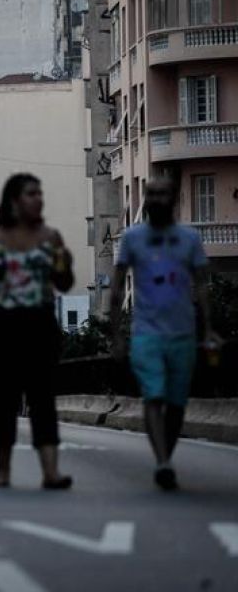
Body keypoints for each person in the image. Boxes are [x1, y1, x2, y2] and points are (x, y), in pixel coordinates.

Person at [0, 173, 73, 490]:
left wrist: (63, 263)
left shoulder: (51, 237)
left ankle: (51, 471)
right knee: (6, 399)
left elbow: (63, 284)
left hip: (40, 324)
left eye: (40, 193)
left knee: (43, 399)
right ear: (14, 200)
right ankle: (3, 470)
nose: (38, 199)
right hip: (1, 325)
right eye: (30, 193)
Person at [110, 178, 218, 492]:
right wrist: (116, 333)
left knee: (176, 404)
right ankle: (162, 463)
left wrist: (209, 328)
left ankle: (165, 456)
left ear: (173, 198)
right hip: (146, 332)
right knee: (153, 396)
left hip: (183, 334)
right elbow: (117, 287)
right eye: (152, 193)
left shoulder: (190, 238)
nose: (157, 198)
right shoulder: (132, 238)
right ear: (145, 198)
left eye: (163, 193)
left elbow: (202, 285)